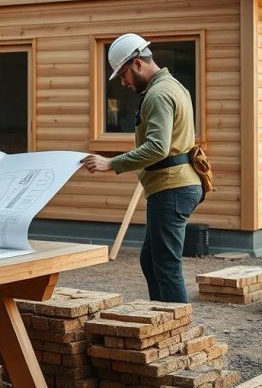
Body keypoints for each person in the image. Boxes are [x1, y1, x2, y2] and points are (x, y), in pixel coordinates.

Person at [81, 33, 202, 303]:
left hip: (172, 188)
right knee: (151, 261)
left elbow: (158, 147)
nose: (122, 82)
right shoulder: (173, 86)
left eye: (123, 74)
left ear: (137, 64)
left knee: (167, 267)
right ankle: (161, 321)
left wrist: (111, 163)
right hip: (173, 186)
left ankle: (176, 332)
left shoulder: (158, 95)